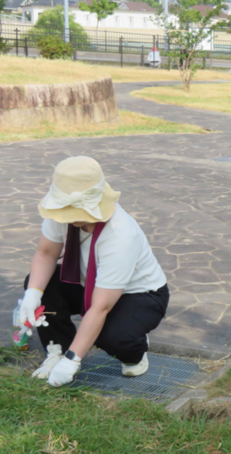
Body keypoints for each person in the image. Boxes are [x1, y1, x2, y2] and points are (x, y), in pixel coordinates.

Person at [20, 156, 169, 388]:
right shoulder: (59, 214)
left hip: (139, 294)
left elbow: (101, 306)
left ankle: (136, 350)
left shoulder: (121, 235)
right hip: (86, 282)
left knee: (112, 337)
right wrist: (32, 295)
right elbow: (46, 254)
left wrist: (74, 361)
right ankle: (57, 351)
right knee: (40, 283)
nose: (66, 216)